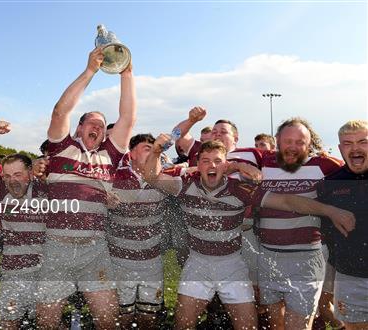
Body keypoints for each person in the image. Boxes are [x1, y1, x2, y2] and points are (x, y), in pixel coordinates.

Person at [142, 137, 355, 330]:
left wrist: (330, 210)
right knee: (183, 324)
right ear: (199, 165)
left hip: (231, 264)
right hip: (197, 263)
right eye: (206, 161)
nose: (212, 165)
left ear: (226, 165)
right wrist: (155, 151)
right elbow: (151, 177)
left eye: (218, 161)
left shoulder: (241, 189)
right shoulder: (186, 185)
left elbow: (286, 201)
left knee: (248, 326)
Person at [35, 46, 136, 329]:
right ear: (79, 128)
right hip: (57, 248)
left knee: (108, 319)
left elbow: (128, 118)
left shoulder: (110, 155)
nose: (98, 127)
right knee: (47, 322)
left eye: (102, 126)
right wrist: (90, 70)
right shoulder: (60, 149)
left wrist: (127, 73)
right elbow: (59, 111)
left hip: (95, 249)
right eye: (92, 122)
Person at [255, 118, 344, 329]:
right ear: (277, 140)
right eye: (288, 141)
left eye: (300, 142)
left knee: (299, 324)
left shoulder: (325, 164)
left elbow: (356, 172)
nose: (293, 147)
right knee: (276, 323)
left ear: (309, 143)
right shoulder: (265, 162)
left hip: (307, 257)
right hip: (268, 256)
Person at [0, 120, 47, 330]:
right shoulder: (0, 192)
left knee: (48, 324)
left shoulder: (45, 190)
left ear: (30, 174)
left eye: (18, 174)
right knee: (8, 323)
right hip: (13, 273)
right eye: (7, 175)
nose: (12, 180)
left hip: (46, 273)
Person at [107, 134, 167, 329]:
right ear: (132, 154)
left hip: (152, 263)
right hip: (120, 262)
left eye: (154, 149)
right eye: (146, 149)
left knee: (148, 320)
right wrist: (103, 198)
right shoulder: (113, 176)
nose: (152, 153)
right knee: (122, 319)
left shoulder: (164, 176)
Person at [318, 120, 368, 330]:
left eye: (363, 142)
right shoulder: (330, 184)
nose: (355, 148)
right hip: (349, 276)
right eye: (347, 143)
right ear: (340, 149)